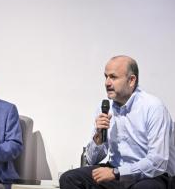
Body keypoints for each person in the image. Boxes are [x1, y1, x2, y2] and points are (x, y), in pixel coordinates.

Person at [60, 55, 175, 189]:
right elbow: (92, 160)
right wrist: (97, 140)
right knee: (70, 179)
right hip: (115, 171)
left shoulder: (153, 107)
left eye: (113, 77)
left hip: (152, 176)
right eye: (106, 77)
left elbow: (158, 162)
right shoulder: (104, 107)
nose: (107, 83)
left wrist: (117, 173)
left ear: (131, 80)